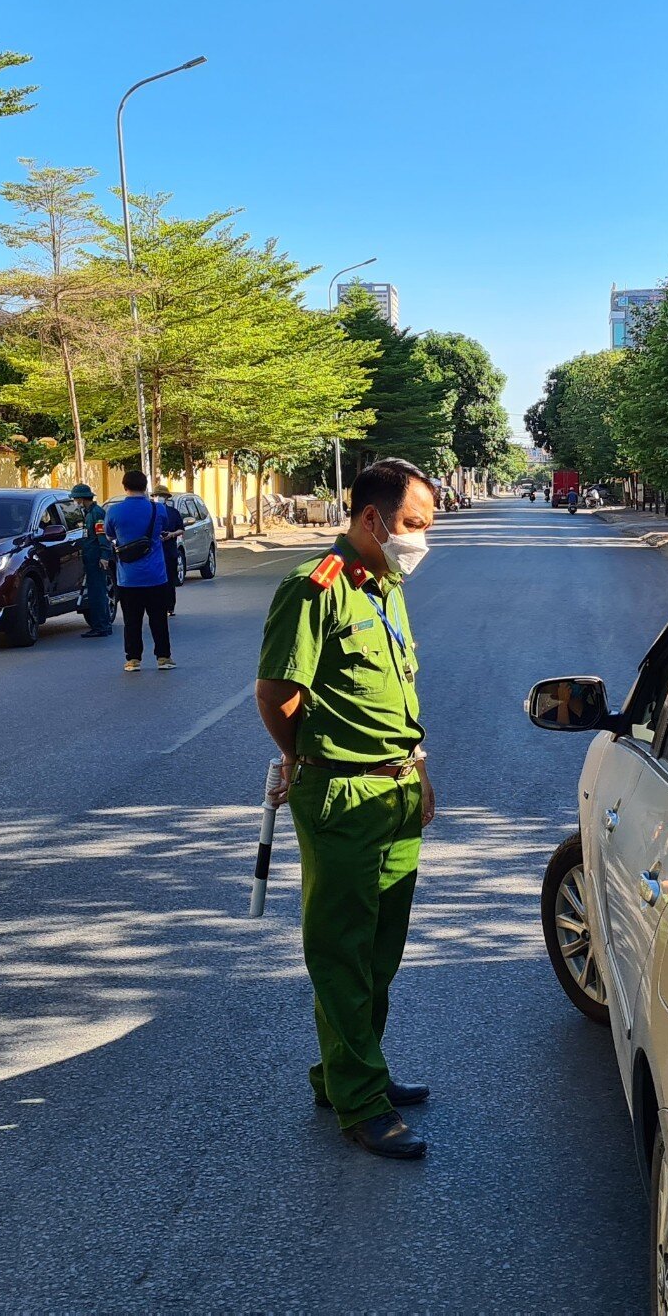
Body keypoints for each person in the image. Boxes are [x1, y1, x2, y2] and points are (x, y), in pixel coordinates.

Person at [254, 457, 440, 1160]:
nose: (420, 539)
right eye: (413, 525)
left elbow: (397, 691)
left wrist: (418, 774)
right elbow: (277, 694)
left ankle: (349, 1072)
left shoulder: (387, 589)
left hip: (395, 791)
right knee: (341, 954)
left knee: (380, 953)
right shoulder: (314, 589)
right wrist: (302, 756)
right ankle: (360, 1102)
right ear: (370, 519)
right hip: (340, 796)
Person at [104, 469, 181, 672]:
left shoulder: (114, 511)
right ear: (145, 487)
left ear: (124, 486)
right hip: (156, 575)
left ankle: (133, 660)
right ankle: (163, 658)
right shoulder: (158, 510)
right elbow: (163, 527)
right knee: (158, 618)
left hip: (128, 577)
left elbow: (109, 533)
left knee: (131, 620)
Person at [71, 482, 113, 639]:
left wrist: (104, 556)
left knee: (98, 593)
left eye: (76, 499)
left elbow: (102, 537)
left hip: (96, 558)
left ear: (82, 499)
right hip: (91, 558)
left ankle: (101, 626)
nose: (76, 503)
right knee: (95, 592)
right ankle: (101, 625)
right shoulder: (90, 513)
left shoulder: (96, 514)